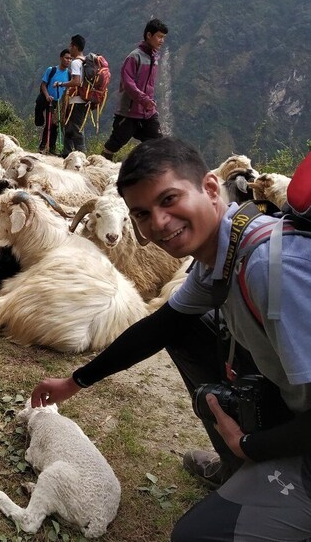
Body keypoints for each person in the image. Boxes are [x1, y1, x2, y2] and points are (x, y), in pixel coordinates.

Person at [31, 136, 311, 541]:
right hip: (295, 409)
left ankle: (254, 468)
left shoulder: (270, 269)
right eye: (142, 213)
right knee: (186, 329)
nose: (158, 223)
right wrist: (75, 382)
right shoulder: (224, 251)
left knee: (195, 536)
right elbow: (161, 326)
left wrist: (252, 444)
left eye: (169, 200)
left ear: (211, 189)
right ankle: (240, 471)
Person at [101, 19, 169, 162]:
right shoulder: (134, 57)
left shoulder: (154, 58)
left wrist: (148, 102)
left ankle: (153, 173)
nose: (161, 40)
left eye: (163, 37)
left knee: (157, 142)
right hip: (129, 111)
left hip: (148, 111)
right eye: (159, 36)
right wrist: (143, 99)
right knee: (116, 141)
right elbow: (128, 83)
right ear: (149, 35)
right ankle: (99, 168)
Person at [54, 34, 88, 157]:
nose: (69, 47)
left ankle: (82, 157)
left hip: (77, 101)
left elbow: (76, 82)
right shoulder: (85, 61)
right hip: (83, 100)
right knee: (69, 128)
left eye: (71, 45)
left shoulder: (75, 63)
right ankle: (66, 154)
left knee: (77, 130)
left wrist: (61, 84)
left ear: (75, 46)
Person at [38, 49, 72, 154]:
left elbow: (67, 89)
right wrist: (47, 95)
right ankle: (43, 146)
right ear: (61, 58)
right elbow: (43, 84)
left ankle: (51, 148)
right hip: (47, 99)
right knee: (49, 123)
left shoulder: (69, 74)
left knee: (54, 125)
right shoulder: (51, 70)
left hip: (57, 102)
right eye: (66, 58)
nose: (68, 60)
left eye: (70, 59)